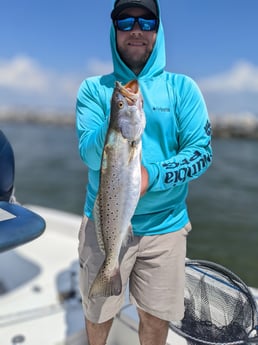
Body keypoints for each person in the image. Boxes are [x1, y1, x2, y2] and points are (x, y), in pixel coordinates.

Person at [76, 0, 212, 344]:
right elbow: (89, 155)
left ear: (158, 29)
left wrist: (155, 175)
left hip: (165, 229)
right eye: (125, 21)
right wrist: (115, 122)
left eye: (146, 22)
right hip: (104, 224)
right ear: (114, 30)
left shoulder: (183, 89)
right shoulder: (95, 89)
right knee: (98, 314)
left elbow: (201, 152)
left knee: (154, 319)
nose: (136, 29)